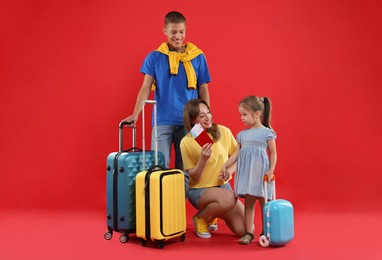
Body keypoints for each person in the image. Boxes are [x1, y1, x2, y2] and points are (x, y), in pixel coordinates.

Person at [122, 11, 211, 170]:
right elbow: (145, 88)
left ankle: (182, 196)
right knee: (158, 168)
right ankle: (160, 196)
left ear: (186, 30)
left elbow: (203, 88)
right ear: (165, 31)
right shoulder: (154, 57)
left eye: (181, 32)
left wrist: (206, 117)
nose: (178, 36)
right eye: (173, 32)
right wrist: (136, 114)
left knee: (186, 169)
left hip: (190, 121)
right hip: (162, 121)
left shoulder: (197, 57)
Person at [180, 99, 245, 239]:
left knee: (244, 230)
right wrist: (203, 160)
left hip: (222, 187)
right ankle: (201, 217)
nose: (207, 117)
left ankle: (213, 213)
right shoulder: (186, 142)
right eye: (201, 116)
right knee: (230, 199)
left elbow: (239, 155)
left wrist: (230, 170)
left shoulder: (223, 131)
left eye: (208, 112)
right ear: (192, 120)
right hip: (200, 191)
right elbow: (194, 177)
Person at [220, 95, 277, 245]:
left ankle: (267, 232)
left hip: (261, 175)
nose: (242, 118)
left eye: (244, 114)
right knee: (249, 205)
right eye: (240, 115)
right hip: (247, 175)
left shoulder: (267, 133)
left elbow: (273, 153)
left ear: (257, 114)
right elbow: (236, 154)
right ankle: (248, 233)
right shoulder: (242, 135)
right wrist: (225, 165)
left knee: (265, 205)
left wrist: (271, 170)